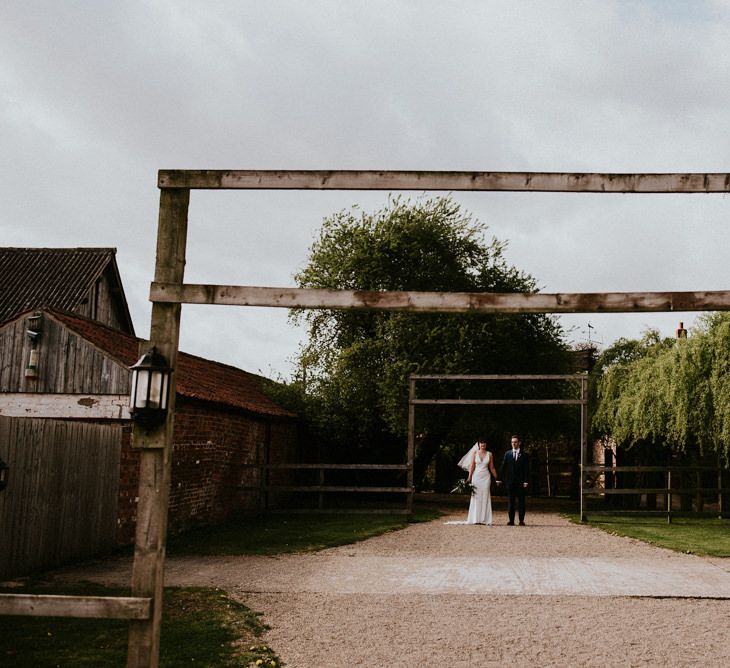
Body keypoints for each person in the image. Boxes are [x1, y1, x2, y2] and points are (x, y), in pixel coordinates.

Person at [496, 435, 529, 525]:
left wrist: (526, 481)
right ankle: (511, 520)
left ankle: (521, 520)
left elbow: (526, 469)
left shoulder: (524, 455)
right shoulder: (508, 454)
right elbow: (503, 466)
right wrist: (499, 478)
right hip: (510, 482)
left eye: (515, 442)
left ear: (519, 443)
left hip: (521, 482)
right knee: (511, 502)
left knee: (521, 502)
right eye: (512, 442)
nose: (513, 444)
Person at [464, 439, 498, 525]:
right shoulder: (475, 453)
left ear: (486, 444)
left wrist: (497, 477)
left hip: (486, 477)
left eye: (484, 443)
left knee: (485, 496)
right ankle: (475, 518)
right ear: (478, 444)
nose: (483, 444)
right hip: (476, 477)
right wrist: (469, 477)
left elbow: (492, 467)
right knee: (476, 497)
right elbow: (472, 466)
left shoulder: (489, 454)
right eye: (481, 443)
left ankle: (484, 519)